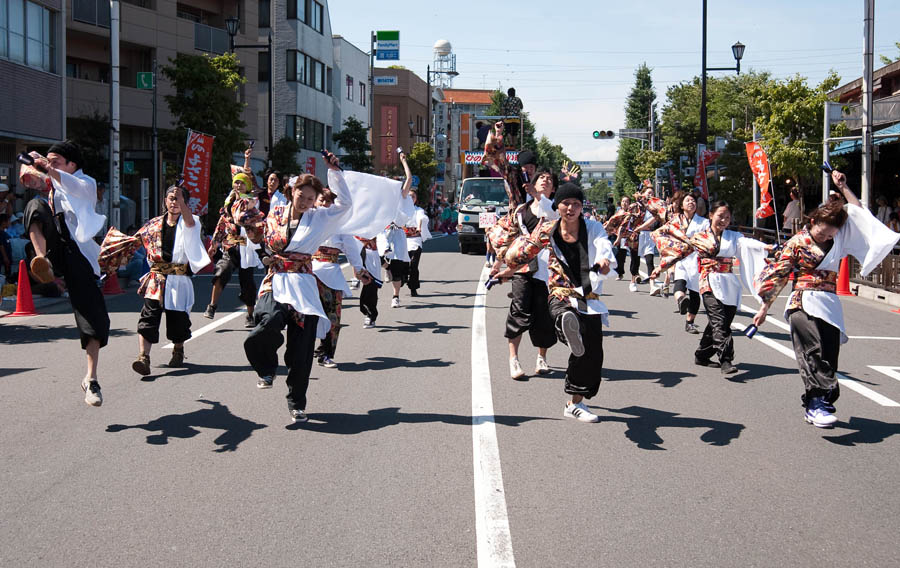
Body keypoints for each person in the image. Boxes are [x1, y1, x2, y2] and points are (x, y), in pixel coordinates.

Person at [753, 171, 900, 427]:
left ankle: (815, 403)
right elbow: (780, 274)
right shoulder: (797, 242)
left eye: (830, 235)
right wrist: (764, 308)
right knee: (812, 351)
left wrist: (843, 187)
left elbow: (859, 212)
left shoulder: (839, 238)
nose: (826, 238)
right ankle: (819, 403)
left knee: (829, 356)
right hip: (802, 300)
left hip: (829, 303)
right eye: (822, 233)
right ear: (812, 221)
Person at [494, 183, 616, 423]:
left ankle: (574, 404)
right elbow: (527, 252)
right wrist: (507, 270)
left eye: (576, 204)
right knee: (562, 313)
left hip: (588, 296)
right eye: (566, 203)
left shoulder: (593, 227)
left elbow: (604, 245)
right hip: (560, 293)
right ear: (557, 206)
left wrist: (603, 260)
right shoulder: (547, 229)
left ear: (582, 207)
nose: (571, 208)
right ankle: (566, 327)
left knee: (591, 356)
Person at [243, 152, 349, 422]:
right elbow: (259, 236)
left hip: (302, 285)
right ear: (292, 192)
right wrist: (261, 250)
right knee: (266, 322)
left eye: (311, 199)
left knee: (301, 351)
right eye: (302, 196)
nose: (305, 202)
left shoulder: (320, 218)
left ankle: (296, 403)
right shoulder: (275, 213)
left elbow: (346, 204)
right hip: (276, 280)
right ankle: (266, 369)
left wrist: (334, 172)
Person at [21, 141, 109, 406]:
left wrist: (50, 170)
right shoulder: (51, 185)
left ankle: (91, 380)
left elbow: (70, 185)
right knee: (35, 207)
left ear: (73, 164)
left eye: (56, 161)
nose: (51, 165)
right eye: (49, 161)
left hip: (78, 254)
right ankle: (41, 260)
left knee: (94, 319)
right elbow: (33, 180)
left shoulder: (87, 184)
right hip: (53, 248)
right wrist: (30, 166)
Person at [99, 185, 211, 374]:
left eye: (179, 199)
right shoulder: (153, 224)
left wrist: (182, 200)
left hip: (178, 278)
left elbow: (190, 221)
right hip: (156, 278)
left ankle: (178, 349)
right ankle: (144, 357)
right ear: (165, 201)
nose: (174, 202)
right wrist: (113, 252)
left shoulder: (191, 222)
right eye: (171, 198)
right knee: (148, 317)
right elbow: (135, 241)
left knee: (178, 320)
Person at [650, 200, 770, 375]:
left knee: (721, 321)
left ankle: (702, 354)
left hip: (729, 283)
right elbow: (681, 251)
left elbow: (748, 244)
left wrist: (766, 247)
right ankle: (726, 359)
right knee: (719, 321)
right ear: (711, 215)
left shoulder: (734, 237)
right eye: (720, 216)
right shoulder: (700, 237)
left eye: (727, 218)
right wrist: (660, 267)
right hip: (708, 281)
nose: (724, 220)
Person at [494, 167, 558, 379]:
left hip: (548, 269)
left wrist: (539, 197)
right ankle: (514, 359)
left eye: (549, 179)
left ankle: (542, 358)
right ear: (533, 181)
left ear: (553, 187)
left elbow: (552, 218)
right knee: (519, 311)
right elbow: (507, 237)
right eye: (541, 178)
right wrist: (499, 264)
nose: (545, 180)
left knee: (544, 315)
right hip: (522, 268)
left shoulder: (558, 209)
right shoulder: (521, 210)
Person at [204, 146, 264, 326]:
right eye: (236, 182)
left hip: (246, 246)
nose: (238, 185)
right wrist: (214, 243)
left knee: (247, 283)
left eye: (242, 183)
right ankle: (212, 305)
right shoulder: (229, 202)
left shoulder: (251, 201)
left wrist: (247, 160)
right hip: (230, 245)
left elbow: (248, 175)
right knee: (221, 271)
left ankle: (250, 314)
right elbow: (222, 223)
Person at [311, 187, 369, 368]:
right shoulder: (306, 219)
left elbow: (351, 248)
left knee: (333, 316)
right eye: (321, 200)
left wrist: (359, 269)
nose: (324, 204)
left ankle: (326, 353)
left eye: (328, 201)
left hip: (331, 272)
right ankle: (302, 351)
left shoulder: (340, 225)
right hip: (308, 272)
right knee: (306, 315)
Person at [652, 191, 709, 334]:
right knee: (680, 282)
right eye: (688, 201)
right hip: (681, 258)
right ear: (682, 205)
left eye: (693, 201)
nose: (691, 203)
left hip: (697, 259)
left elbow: (710, 239)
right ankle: (681, 301)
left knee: (696, 293)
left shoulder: (704, 222)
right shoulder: (675, 221)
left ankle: (690, 322)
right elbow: (660, 233)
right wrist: (670, 248)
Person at [377, 152, 415, 308]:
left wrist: (404, 162)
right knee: (378, 256)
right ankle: (387, 268)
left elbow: (409, 179)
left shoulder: (402, 196)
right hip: (383, 231)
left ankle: (395, 296)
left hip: (397, 232)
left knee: (398, 265)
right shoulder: (382, 199)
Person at [404, 192, 431, 297]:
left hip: (415, 239)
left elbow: (421, 218)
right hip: (403, 240)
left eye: (413, 196)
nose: (411, 198)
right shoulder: (401, 209)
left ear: (416, 199)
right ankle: (402, 278)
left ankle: (413, 288)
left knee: (414, 265)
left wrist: (419, 227)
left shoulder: (418, 210)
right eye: (409, 196)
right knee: (403, 264)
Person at [0, 214, 11, 279]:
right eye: (8, 221)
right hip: (2, 260)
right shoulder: (0, 233)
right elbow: (1, 245)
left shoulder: (4, 233)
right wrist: (5, 257)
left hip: (7, 260)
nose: (10, 222)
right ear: (4, 222)